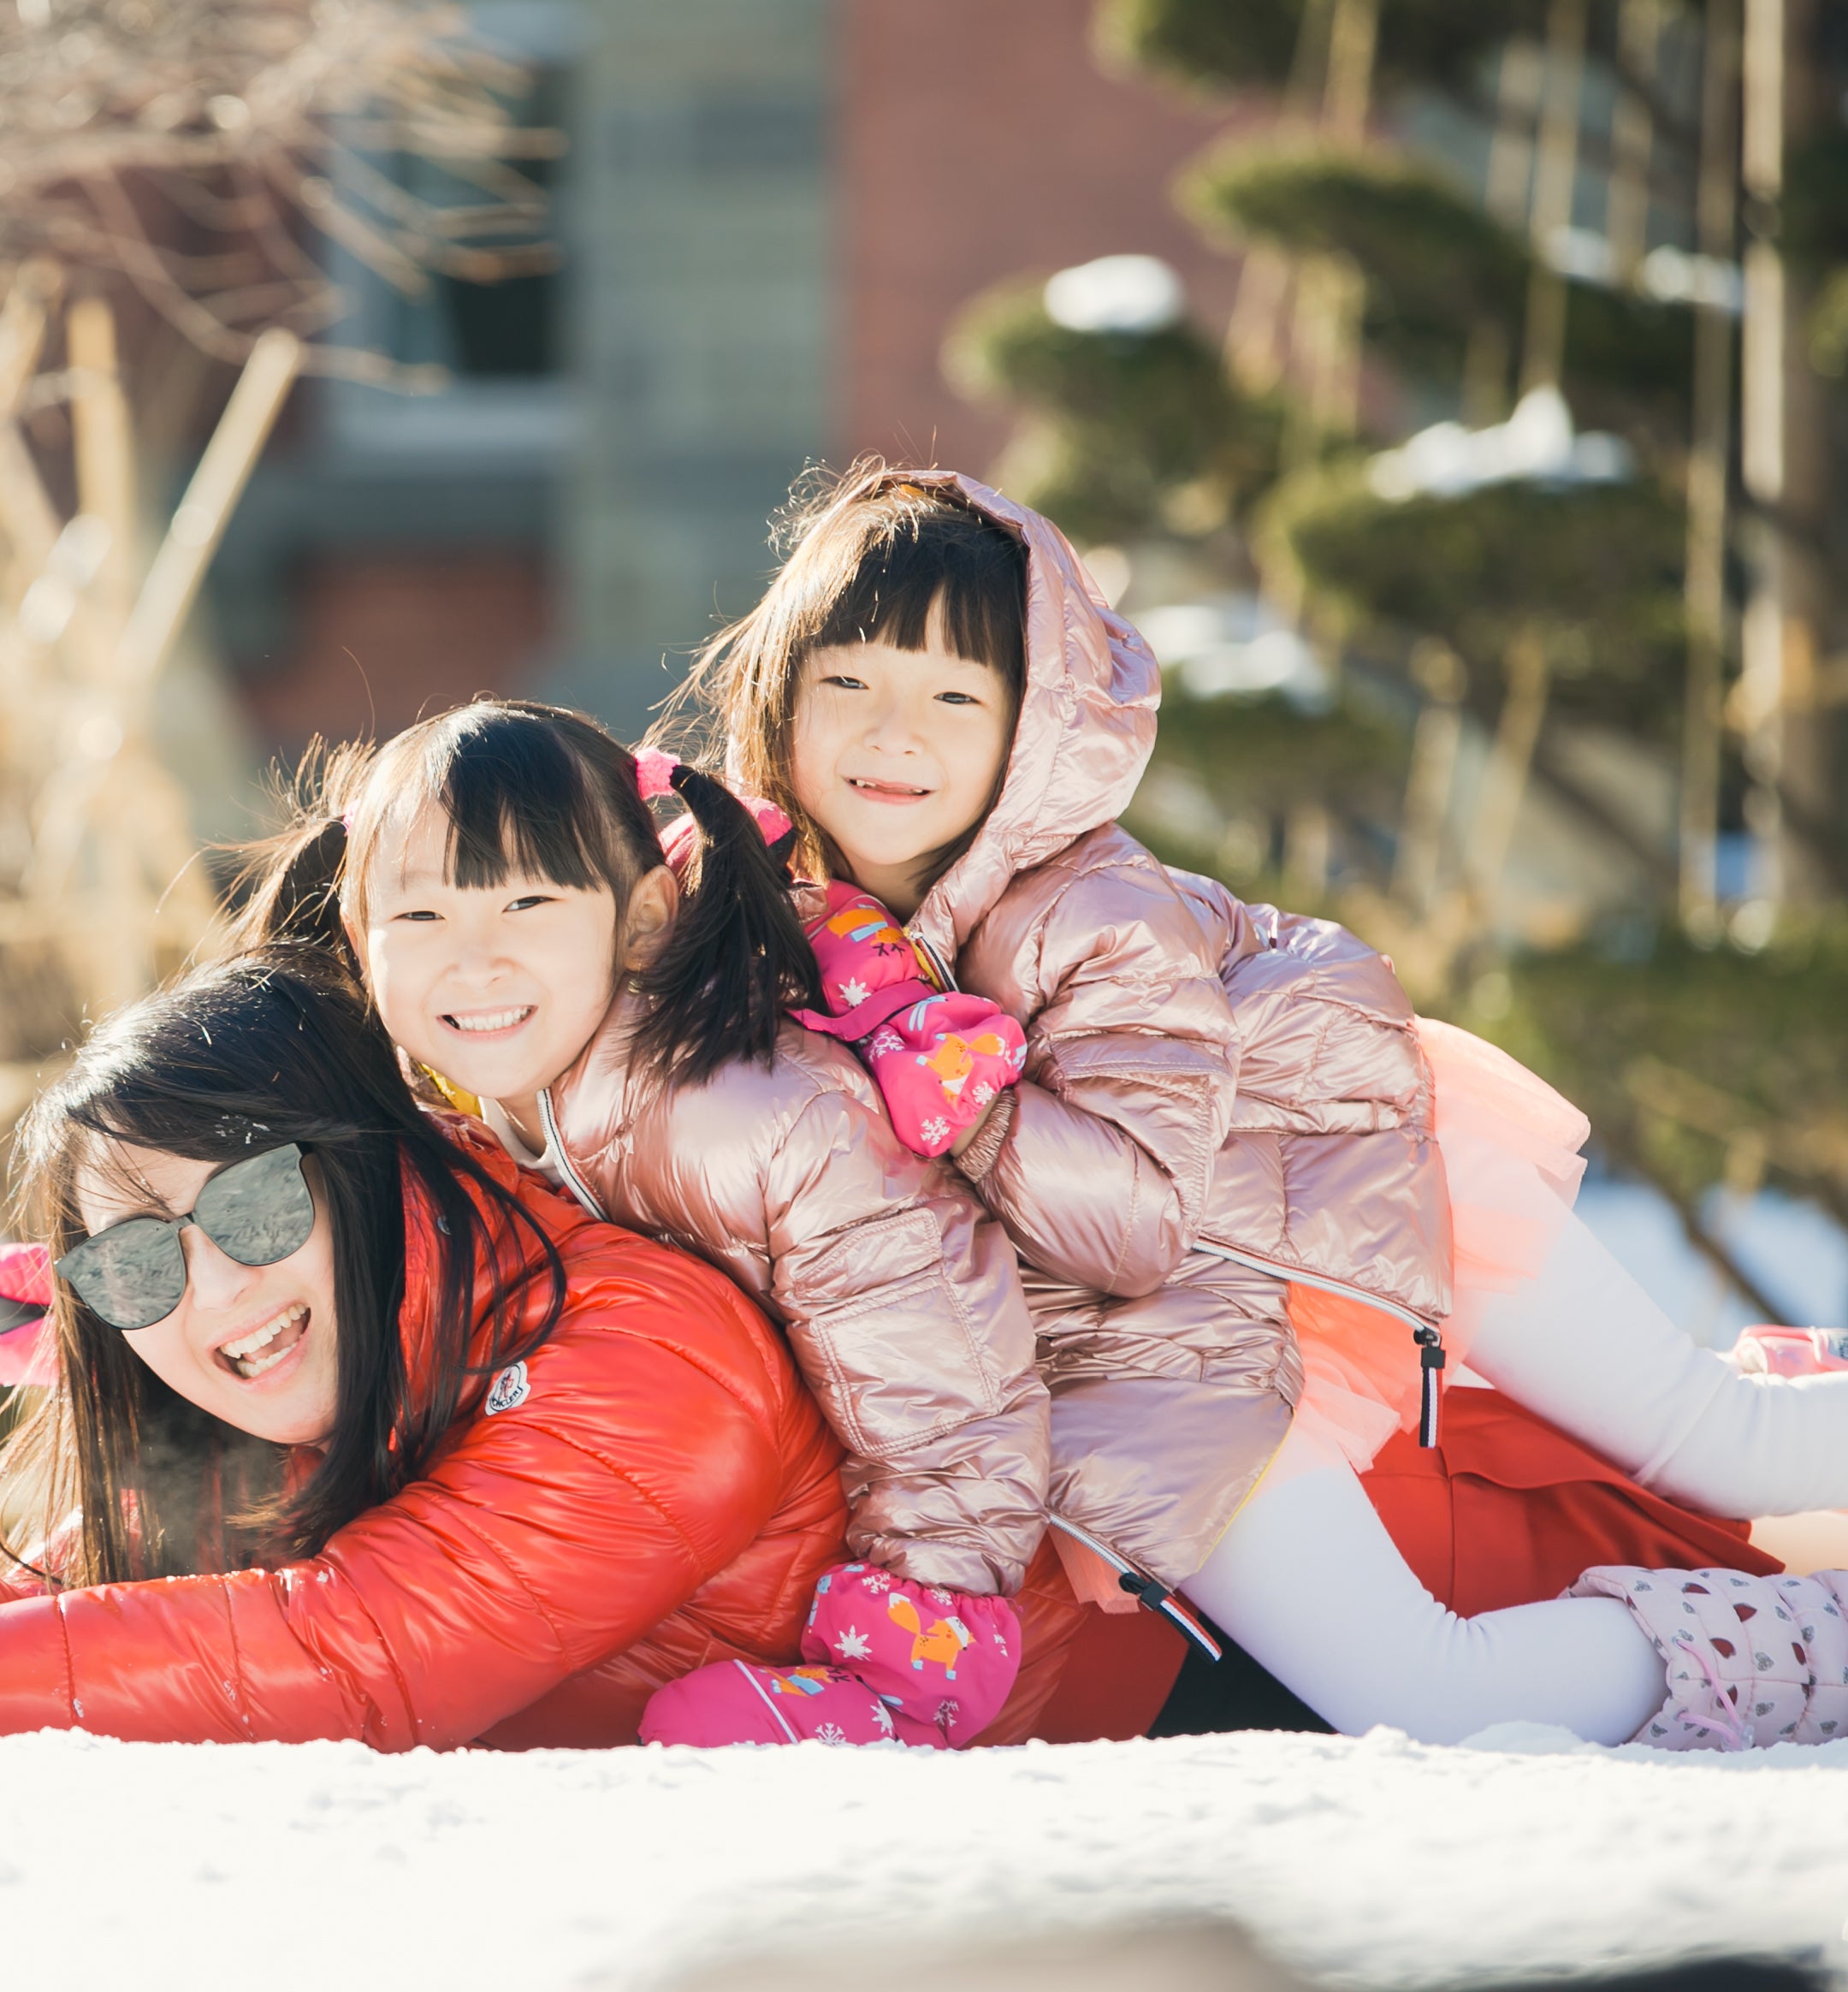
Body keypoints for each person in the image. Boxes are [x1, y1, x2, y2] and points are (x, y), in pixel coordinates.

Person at [678, 459, 1848, 1749]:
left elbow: (1132, 1218)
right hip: (1158, 1350)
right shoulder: (779, 918)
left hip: (1357, 1185)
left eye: (955, 696)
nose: (892, 735)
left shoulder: (1091, 914)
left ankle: (1818, 1653)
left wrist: (970, 1096)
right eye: (848, 684)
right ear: (778, 694)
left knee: (1717, 1443)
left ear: (1031, 730)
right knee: (1419, 1680)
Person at [0, 949, 868, 1750]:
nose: (213, 1297)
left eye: (256, 1203)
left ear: (374, 1164)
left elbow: (354, 1651)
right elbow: (138, 1644)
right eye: (138, 1263)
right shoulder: (277, 1414)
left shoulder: (646, 1361)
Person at [234, 698, 1043, 1744]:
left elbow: (944, 1379)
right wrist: (129, 1284)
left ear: (644, 919)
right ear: (362, 938)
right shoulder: (459, 1104)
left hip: (935, 1606)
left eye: (527, 905)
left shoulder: (754, 1118)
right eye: (422, 919)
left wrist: (904, 1663)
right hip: (690, 1566)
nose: (472, 962)